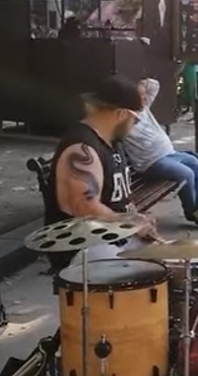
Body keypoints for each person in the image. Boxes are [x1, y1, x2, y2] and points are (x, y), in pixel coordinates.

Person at [45, 75, 159, 271]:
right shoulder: (82, 149)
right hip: (86, 248)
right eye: (136, 120)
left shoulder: (112, 142)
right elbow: (83, 207)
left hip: (116, 238)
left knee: (175, 264)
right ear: (122, 114)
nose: (135, 125)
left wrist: (139, 219)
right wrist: (133, 223)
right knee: (153, 275)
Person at [124, 78, 198, 224]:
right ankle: (193, 213)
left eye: (143, 96)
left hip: (170, 154)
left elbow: (154, 85)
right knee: (187, 174)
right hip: (152, 163)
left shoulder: (143, 108)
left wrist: (140, 85)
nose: (143, 99)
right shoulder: (124, 118)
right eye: (139, 97)